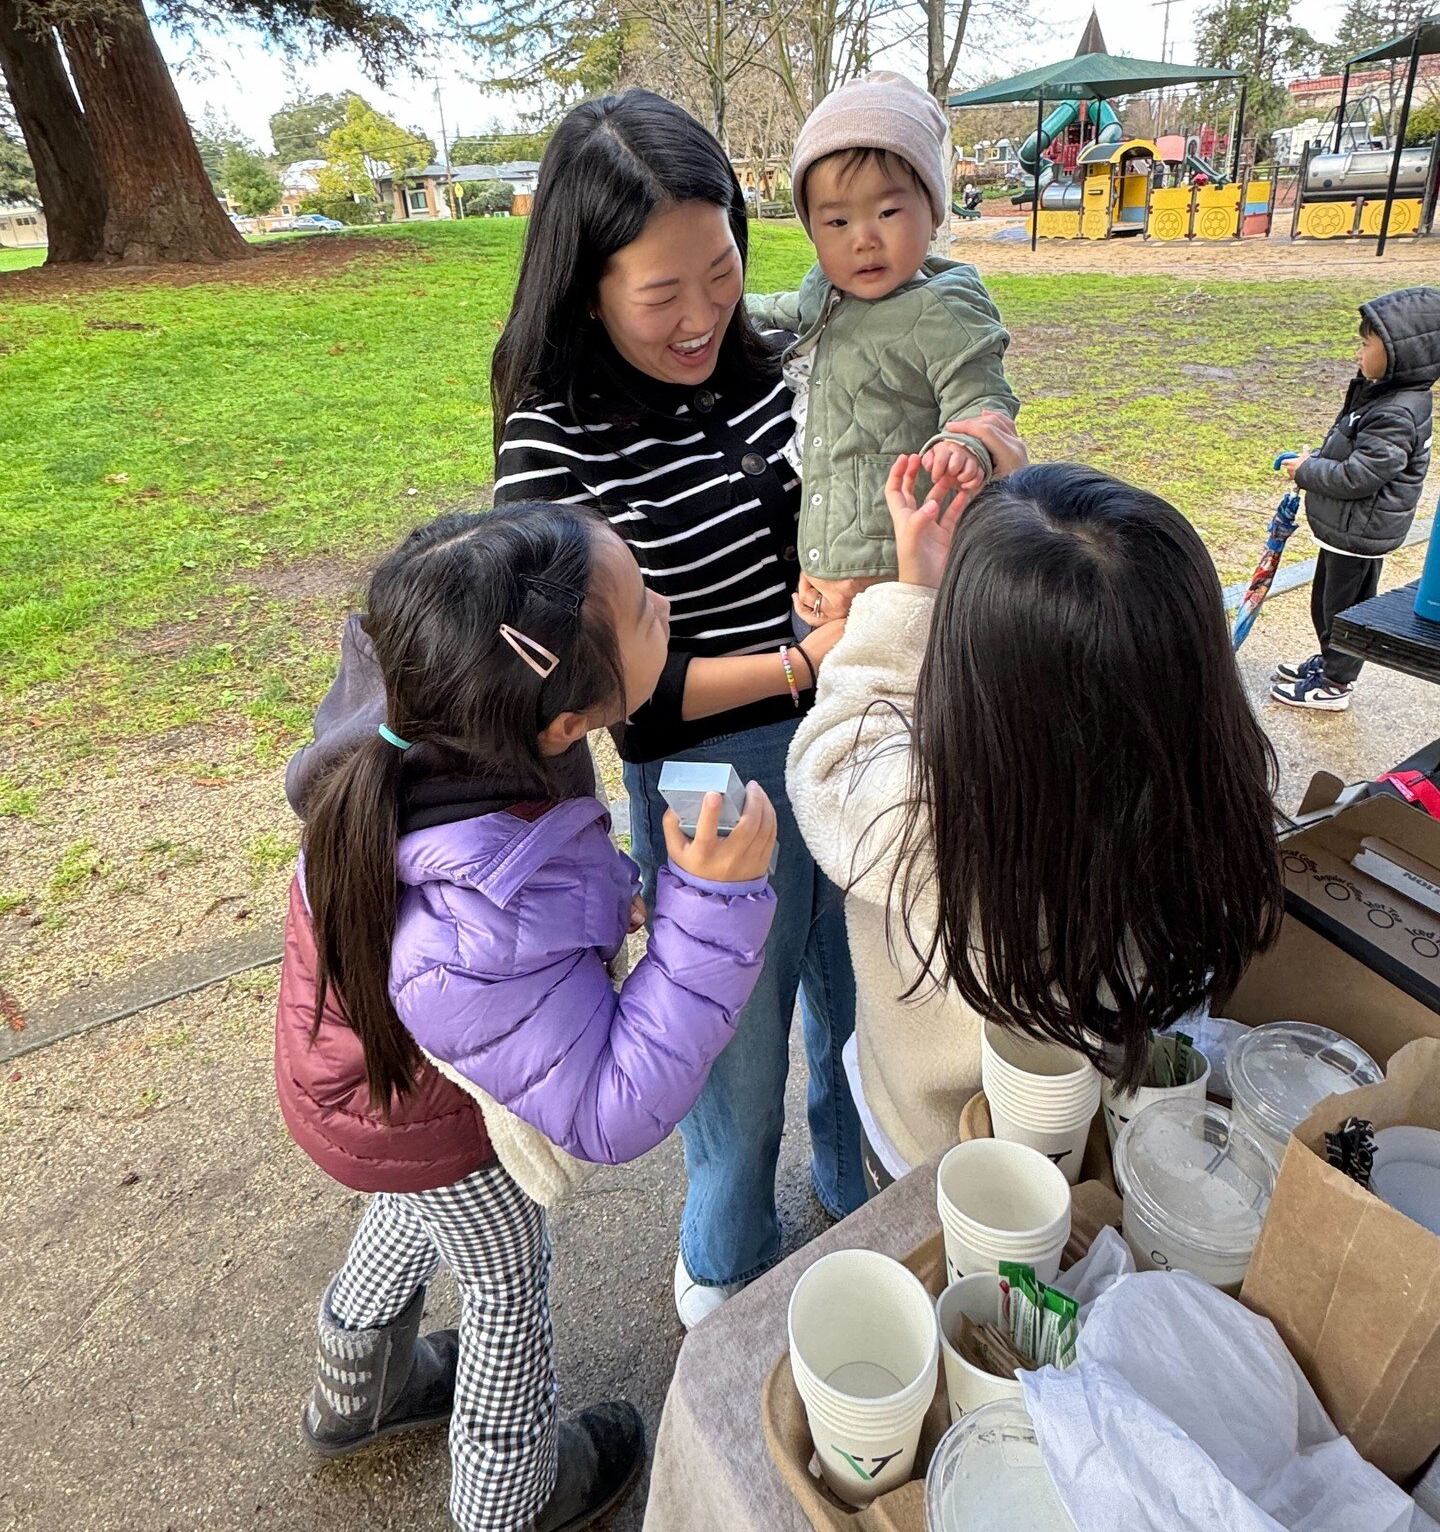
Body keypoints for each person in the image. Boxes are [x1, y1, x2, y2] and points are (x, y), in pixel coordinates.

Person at [275, 502, 778, 1532]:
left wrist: (603, 894)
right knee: (508, 1275)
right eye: (644, 607)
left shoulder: (441, 697)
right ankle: (513, 1494)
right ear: (561, 723)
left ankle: (354, 1384)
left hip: (360, 1077)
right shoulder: (471, 926)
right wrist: (712, 907)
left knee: (423, 1209)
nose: (665, 605)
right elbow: (604, 1107)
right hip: (419, 1113)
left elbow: (535, 888)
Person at [488, 88, 871, 1330]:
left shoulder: (771, 353)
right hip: (711, 775)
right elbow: (611, 687)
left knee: (866, 1006)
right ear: (586, 285)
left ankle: (869, 1210)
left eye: (723, 269)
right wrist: (800, 660)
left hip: (849, 729)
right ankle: (727, 1289)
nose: (704, 314)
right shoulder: (555, 436)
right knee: (737, 1070)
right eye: (663, 295)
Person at [787, 458, 1283, 1193]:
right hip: (1100, 1139)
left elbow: (830, 757)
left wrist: (910, 593)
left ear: (964, 667)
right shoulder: (1205, 795)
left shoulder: (918, 816)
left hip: (927, 1146)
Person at [746, 70, 1020, 629]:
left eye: (888, 212)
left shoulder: (946, 309)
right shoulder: (824, 293)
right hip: (820, 570)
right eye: (837, 220)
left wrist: (965, 448)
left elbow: (984, 404)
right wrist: (730, 305)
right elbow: (782, 309)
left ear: (934, 210)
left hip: (905, 576)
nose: (863, 237)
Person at [1271, 286, 1440, 712]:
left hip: (1360, 529)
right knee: (1328, 600)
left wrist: (1307, 472)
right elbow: (1351, 450)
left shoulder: (1398, 411)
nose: (1359, 354)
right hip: (1344, 528)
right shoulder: (1381, 395)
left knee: (1345, 608)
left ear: (1403, 354)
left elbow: (1360, 475)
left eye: (1367, 345)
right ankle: (1329, 659)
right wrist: (1315, 457)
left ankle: (1335, 682)